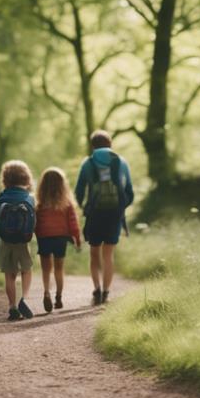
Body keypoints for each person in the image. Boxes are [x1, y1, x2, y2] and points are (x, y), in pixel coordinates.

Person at [74, 130, 134, 305]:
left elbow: (79, 191)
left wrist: (84, 208)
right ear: (110, 144)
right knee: (108, 254)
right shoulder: (121, 162)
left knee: (94, 253)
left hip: (94, 213)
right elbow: (129, 191)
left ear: (92, 145)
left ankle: (97, 289)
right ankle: (106, 292)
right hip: (114, 214)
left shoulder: (87, 163)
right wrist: (121, 207)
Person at [0, 160, 36, 321]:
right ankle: (24, 298)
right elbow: (34, 221)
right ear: (26, 177)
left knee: (9, 274)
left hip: (5, 240)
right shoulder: (29, 198)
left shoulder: (1, 197)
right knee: (26, 269)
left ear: (6, 178)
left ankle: (12, 306)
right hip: (23, 241)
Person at [35, 167, 82, 313]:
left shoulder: (39, 203)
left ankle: (46, 293)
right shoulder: (67, 203)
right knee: (59, 269)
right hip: (61, 238)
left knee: (45, 269)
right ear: (62, 184)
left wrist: (35, 234)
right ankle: (58, 297)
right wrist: (77, 240)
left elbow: (35, 223)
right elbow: (73, 223)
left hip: (44, 237)